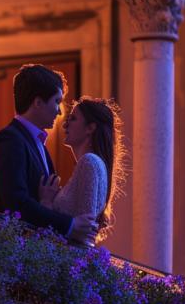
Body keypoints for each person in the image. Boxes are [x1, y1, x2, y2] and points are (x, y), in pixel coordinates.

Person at [0, 64, 97, 245]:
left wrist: (47, 202)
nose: (59, 111)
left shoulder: (38, 143)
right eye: (56, 101)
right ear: (38, 103)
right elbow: (16, 203)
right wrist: (70, 225)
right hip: (18, 249)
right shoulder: (10, 139)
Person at [39, 97, 125, 242]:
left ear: (90, 128)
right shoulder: (94, 163)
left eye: (73, 119)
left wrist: (46, 202)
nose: (65, 124)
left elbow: (84, 229)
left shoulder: (89, 162)